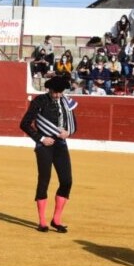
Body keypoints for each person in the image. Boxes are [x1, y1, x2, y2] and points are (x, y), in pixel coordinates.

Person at [19, 76, 77, 233]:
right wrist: (42, 138)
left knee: (67, 181)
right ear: (49, 89)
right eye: (55, 92)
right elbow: (24, 123)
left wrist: (68, 133)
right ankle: (42, 221)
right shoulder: (39, 101)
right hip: (44, 146)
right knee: (44, 180)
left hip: (61, 145)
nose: (57, 95)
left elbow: (73, 125)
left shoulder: (66, 102)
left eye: (60, 92)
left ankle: (56, 219)